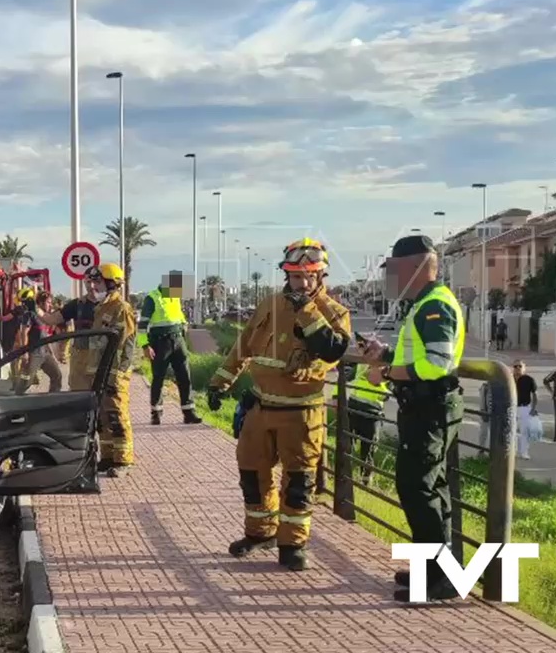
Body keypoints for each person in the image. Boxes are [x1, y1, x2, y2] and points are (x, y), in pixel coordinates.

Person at [207, 238, 351, 571]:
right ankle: (260, 533)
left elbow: (331, 350)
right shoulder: (270, 305)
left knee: (298, 484)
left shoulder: (334, 313)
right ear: (286, 275)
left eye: (308, 277)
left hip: (302, 415)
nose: (301, 283)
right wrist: (219, 382)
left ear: (321, 277)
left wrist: (307, 308)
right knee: (252, 474)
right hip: (261, 408)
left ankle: (292, 544)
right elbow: (243, 347)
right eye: (295, 277)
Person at [358, 234, 465, 603]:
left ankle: (442, 578)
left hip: (430, 409)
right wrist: (384, 353)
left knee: (417, 489)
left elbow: (437, 363)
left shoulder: (435, 305)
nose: (391, 278)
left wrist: (384, 375)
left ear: (414, 267)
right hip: (424, 408)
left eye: (394, 269)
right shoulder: (423, 304)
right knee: (429, 490)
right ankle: (433, 570)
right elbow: (418, 354)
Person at [84, 263, 139, 475]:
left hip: (115, 373)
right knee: (102, 418)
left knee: (116, 415)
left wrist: (114, 376)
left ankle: (123, 461)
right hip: (99, 372)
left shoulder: (121, 310)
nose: (92, 287)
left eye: (96, 282)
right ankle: (107, 457)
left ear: (110, 283)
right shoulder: (101, 309)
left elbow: (120, 345)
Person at [140, 271, 201, 425]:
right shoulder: (152, 298)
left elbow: (178, 315)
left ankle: (189, 412)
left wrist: (184, 325)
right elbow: (141, 326)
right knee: (159, 378)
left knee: (184, 377)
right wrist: (145, 346)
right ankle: (156, 412)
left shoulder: (174, 298)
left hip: (178, 341)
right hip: (160, 343)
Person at [39, 280, 98, 391]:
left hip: (103, 359)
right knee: (79, 394)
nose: (92, 285)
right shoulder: (77, 304)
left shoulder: (113, 306)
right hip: (82, 359)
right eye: (88, 281)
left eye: (96, 281)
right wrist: (35, 308)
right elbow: (51, 319)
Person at [336, 362, 390, 485]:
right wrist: (335, 397)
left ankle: (365, 481)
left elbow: (388, 395)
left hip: (371, 416)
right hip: (353, 411)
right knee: (347, 444)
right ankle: (343, 476)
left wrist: (378, 383)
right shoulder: (361, 367)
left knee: (368, 448)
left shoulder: (387, 370)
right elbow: (343, 379)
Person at [15, 290, 64, 393]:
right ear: (41, 303)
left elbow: (46, 337)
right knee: (26, 380)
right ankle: (16, 399)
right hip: (34, 354)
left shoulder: (46, 318)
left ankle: (53, 399)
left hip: (45, 354)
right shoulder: (30, 315)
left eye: (51, 303)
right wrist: (25, 353)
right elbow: (24, 333)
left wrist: (52, 354)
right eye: (48, 302)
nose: (50, 305)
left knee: (57, 375)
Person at [513, 361, 540, 461]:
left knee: (524, 431)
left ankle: (524, 452)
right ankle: (513, 451)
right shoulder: (510, 379)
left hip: (525, 407)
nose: (518, 368)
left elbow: (535, 394)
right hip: (512, 407)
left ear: (524, 368)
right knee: (512, 431)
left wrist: (533, 408)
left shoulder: (529, 379)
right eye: (515, 366)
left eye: (520, 366)